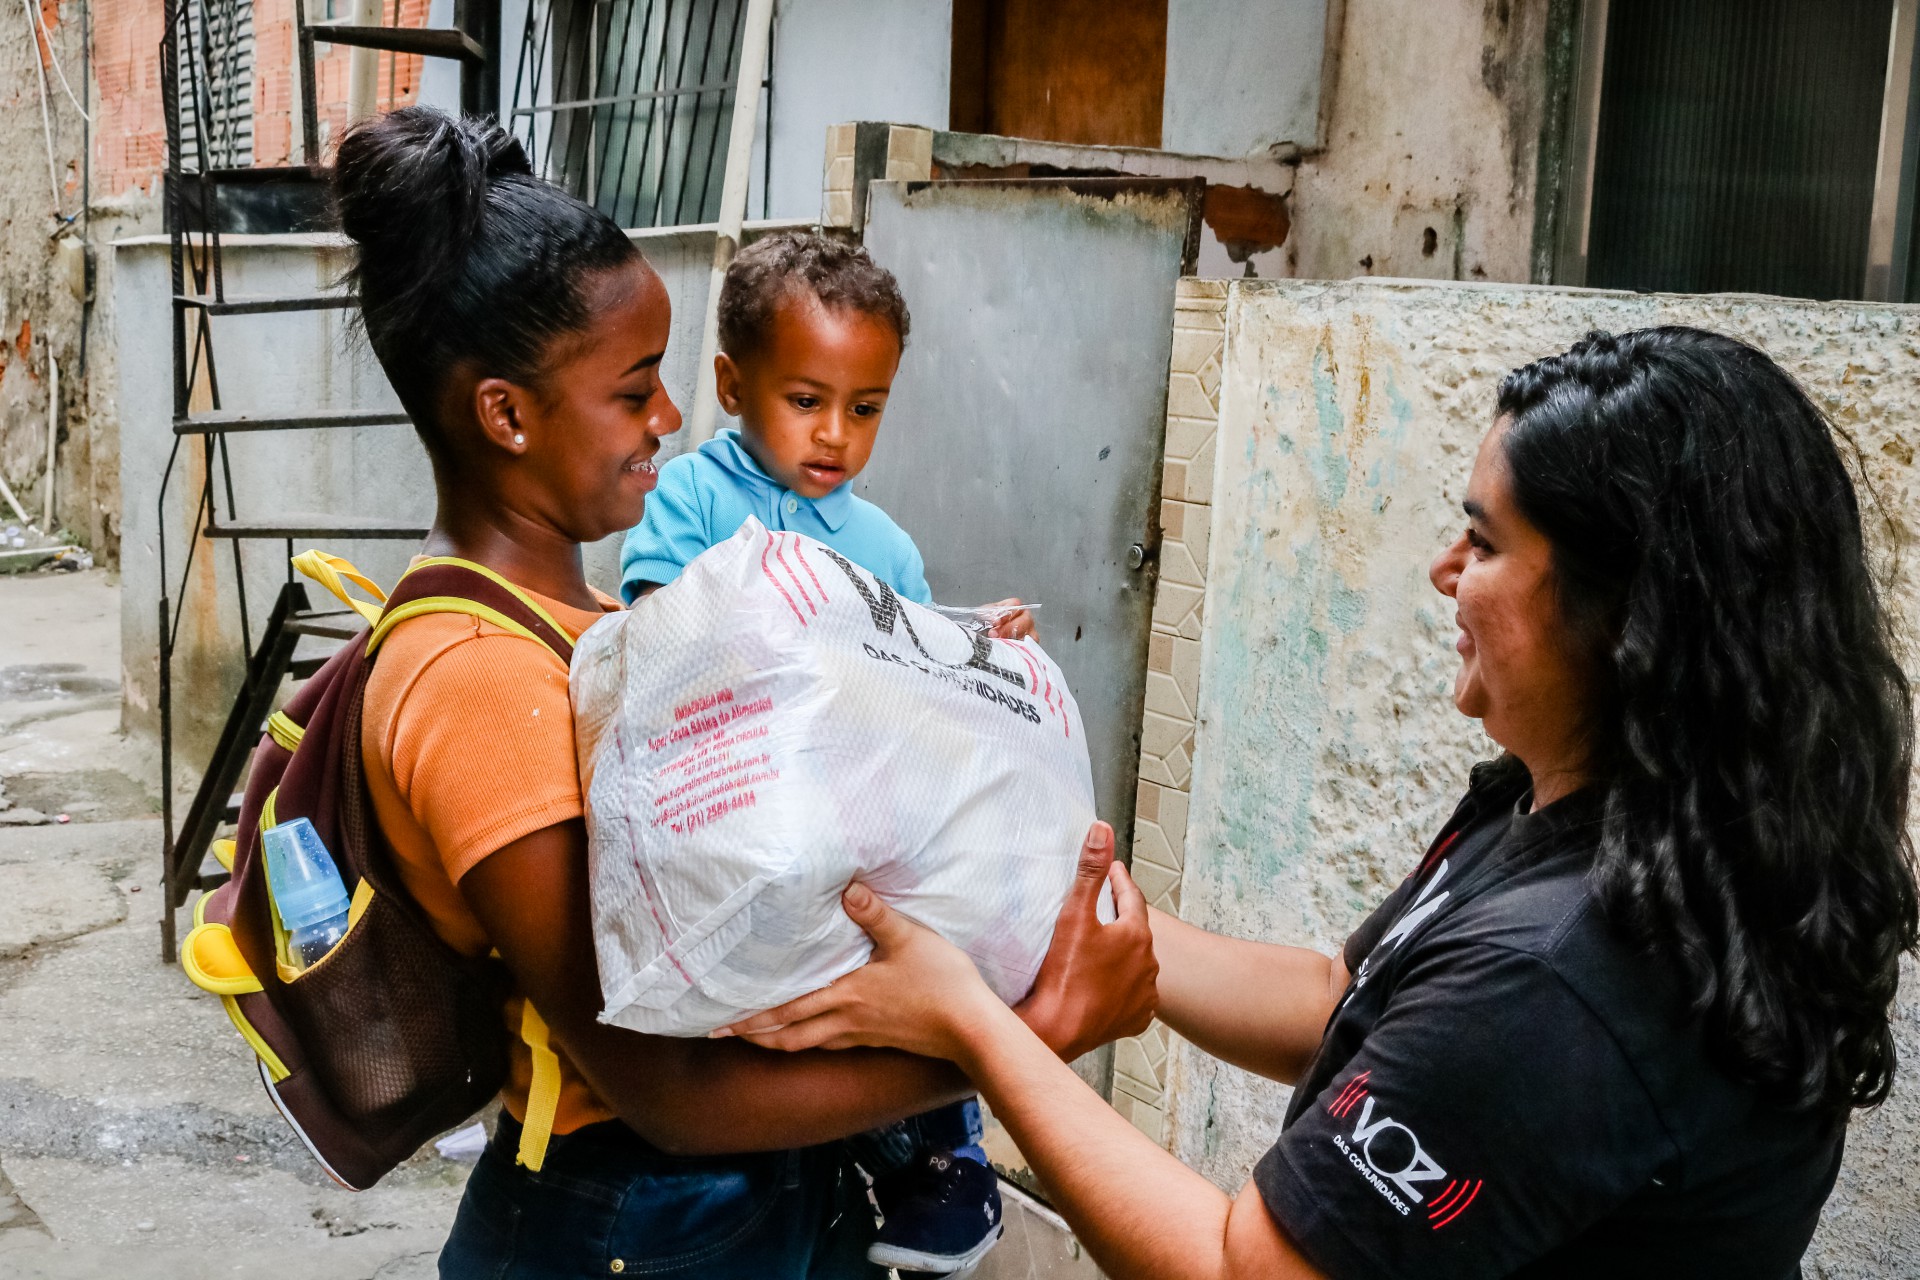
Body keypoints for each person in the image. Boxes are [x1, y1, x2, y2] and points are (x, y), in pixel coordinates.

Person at [729, 327, 1920, 1278]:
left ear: (1626, 612)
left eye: (1484, 542)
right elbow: (1338, 997)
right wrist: (1041, 886)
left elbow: (1240, 1264)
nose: (1445, 573)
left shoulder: (1563, 979)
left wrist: (977, 1025)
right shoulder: (1581, 808)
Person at [330, 106, 1152, 1280]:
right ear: (506, 414)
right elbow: (669, 1088)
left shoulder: (589, 628)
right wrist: (1020, 1036)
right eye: (633, 390)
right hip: (626, 1213)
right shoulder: (474, 674)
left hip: (735, 1192)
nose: (670, 419)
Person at [619, 229, 1030, 1274]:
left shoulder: (884, 542)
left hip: (847, 813)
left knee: (933, 921)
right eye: (807, 400)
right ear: (732, 382)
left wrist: (971, 638)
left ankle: (947, 1160)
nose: (836, 434)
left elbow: (908, 672)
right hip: (730, 809)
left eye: (867, 407)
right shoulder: (693, 498)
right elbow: (658, 629)